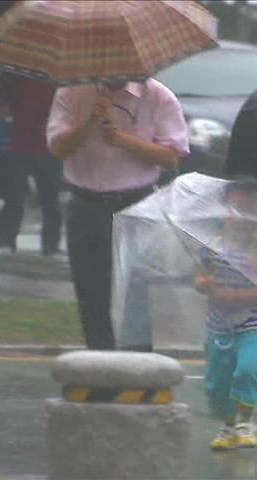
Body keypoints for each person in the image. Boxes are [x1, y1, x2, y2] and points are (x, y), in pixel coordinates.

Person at [46, 78, 189, 350]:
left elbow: (171, 156)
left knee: (134, 292)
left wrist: (122, 139)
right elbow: (58, 148)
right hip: (86, 203)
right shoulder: (71, 93)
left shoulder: (158, 96)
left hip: (135, 204)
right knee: (91, 291)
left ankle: (138, 366)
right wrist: (89, 122)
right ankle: (100, 361)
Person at [193, 184, 257, 451]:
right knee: (218, 381)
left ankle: (244, 422)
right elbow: (201, 278)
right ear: (223, 214)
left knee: (247, 370)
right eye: (234, 210)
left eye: (247, 211)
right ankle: (227, 426)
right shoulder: (211, 247)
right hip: (218, 327)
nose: (240, 217)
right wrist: (204, 283)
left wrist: (234, 299)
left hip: (254, 324)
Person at [0, 71, 62, 256]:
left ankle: (50, 246)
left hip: (47, 145)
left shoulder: (55, 76)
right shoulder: (12, 75)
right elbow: (2, 108)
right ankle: (5, 241)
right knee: (14, 196)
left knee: (50, 197)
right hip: (20, 143)